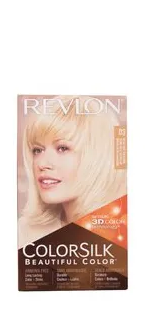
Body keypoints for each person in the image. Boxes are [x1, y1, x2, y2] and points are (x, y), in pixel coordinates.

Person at [18, 95, 126, 247]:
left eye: (62, 148)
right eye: (37, 150)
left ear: (97, 156)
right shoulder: (25, 231)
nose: (42, 163)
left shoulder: (122, 230)